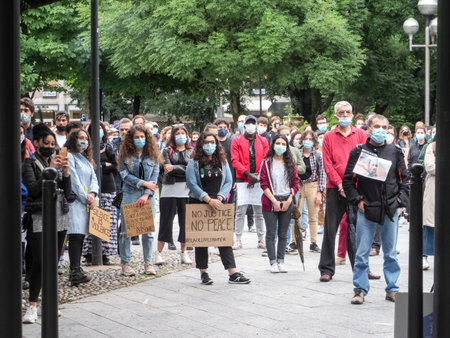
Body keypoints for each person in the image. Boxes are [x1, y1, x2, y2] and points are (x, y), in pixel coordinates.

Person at [343, 114, 408, 304]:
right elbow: (348, 180)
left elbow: (405, 180)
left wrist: (398, 202)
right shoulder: (359, 151)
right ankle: (360, 289)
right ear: (369, 129)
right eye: (377, 126)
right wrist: (358, 200)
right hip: (367, 208)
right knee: (362, 253)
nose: (381, 130)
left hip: (390, 209)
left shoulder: (394, 151)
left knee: (390, 253)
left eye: (384, 127)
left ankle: (392, 288)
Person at [22, 124, 72, 323]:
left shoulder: (58, 162)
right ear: (36, 143)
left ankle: (49, 302)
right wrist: (50, 169)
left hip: (60, 215)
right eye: (46, 143)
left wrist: (66, 172)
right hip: (39, 216)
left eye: (53, 144)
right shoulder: (30, 163)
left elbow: (67, 193)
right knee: (40, 261)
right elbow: (33, 189)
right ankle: (32, 305)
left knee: (52, 262)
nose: (51, 147)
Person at [186, 132, 251, 284]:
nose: (210, 145)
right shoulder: (194, 162)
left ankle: (233, 273)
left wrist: (220, 198)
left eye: (213, 142)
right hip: (200, 202)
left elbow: (228, 180)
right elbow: (191, 183)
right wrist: (208, 199)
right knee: (201, 240)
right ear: (201, 144)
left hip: (219, 203)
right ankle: (204, 272)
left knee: (223, 237)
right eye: (207, 142)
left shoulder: (222, 161)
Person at [318, 101, 367, 282]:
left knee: (358, 229)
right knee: (331, 229)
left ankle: (361, 267)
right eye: (341, 112)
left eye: (348, 112)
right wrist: (340, 185)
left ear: (352, 114)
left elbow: (366, 160)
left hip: (356, 189)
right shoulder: (329, 137)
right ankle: (326, 269)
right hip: (334, 188)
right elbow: (327, 164)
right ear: (335, 116)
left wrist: (351, 186)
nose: (345, 115)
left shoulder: (361, 134)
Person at [118, 125, 160, 276]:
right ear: (131, 139)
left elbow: (155, 176)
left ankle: (148, 263)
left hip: (148, 195)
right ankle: (126, 264)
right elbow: (124, 175)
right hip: (130, 193)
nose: (140, 140)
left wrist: (146, 192)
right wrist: (142, 183)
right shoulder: (125, 154)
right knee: (126, 232)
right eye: (136, 137)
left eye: (142, 137)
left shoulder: (153, 155)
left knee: (147, 231)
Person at [259, 134, 299, 273]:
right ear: (273, 145)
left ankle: (281, 261)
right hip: (270, 200)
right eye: (278, 143)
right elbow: (263, 183)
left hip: (286, 199)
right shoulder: (266, 162)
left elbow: (296, 183)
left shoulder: (290, 163)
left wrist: (289, 200)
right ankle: (272, 262)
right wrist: (274, 201)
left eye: (283, 144)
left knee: (283, 233)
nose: (280, 146)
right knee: (271, 233)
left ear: (287, 147)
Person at [155, 124, 193, 265]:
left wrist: (176, 168)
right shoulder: (166, 150)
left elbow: (191, 169)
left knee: (185, 222)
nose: (181, 136)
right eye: (177, 133)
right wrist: (182, 169)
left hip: (186, 189)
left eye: (183, 133)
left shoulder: (191, 151)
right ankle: (158, 253)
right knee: (166, 220)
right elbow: (167, 168)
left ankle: (184, 252)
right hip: (169, 188)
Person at [82, 122, 118, 266]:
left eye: (100, 130)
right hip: (90, 188)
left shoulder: (108, 147)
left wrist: (101, 166)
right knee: (90, 221)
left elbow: (115, 166)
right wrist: (104, 165)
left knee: (106, 221)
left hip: (108, 187)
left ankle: (105, 254)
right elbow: (88, 166)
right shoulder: (86, 149)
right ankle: (89, 254)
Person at [66, 128, 99, 286]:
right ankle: (74, 270)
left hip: (86, 202)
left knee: (81, 236)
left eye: (86, 138)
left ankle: (77, 268)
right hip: (76, 202)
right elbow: (74, 179)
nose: (83, 141)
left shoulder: (86, 159)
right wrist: (85, 197)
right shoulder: (70, 156)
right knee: (75, 235)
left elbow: (93, 179)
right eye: (80, 137)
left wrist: (93, 193)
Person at [231, 115, 269, 249]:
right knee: (240, 210)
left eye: (254, 123)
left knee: (259, 211)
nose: (251, 126)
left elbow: (266, 159)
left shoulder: (263, 141)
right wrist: (248, 174)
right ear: (245, 125)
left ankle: (261, 239)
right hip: (243, 179)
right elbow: (235, 160)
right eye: (249, 123)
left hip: (258, 179)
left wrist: (256, 176)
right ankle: (238, 239)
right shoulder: (236, 141)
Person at [297, 130, 326, 253]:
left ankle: (313, 242)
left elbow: (322, 174)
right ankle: (295, 241)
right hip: (299, 185)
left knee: (313, 216)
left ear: (314, 141)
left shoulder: (318, 155)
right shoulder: (297, 153)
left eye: (310, 139)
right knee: (296, 215)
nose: (307, 141)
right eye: (305, 139)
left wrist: (320, 192)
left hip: (313, 185)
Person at [422, 140, 436, 270]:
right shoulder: (432, 146)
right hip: (434, 188)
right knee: (430, 224)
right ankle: (424, 255)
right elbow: (430, 167)